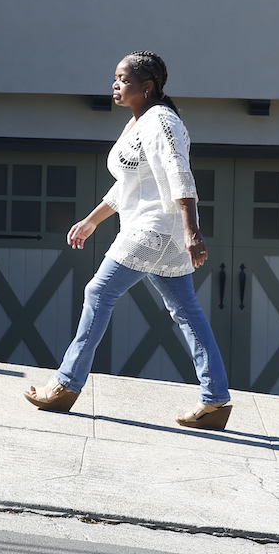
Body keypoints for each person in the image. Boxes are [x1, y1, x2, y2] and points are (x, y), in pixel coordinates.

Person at [23, 51, 232, 430]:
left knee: (98, 293)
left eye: (123, 79)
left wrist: (191, 230)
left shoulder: (161, 122)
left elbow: (179, 174)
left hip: (155, 229)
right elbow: (129, 184)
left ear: (146, 86)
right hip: (154, 227)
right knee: (186, 311)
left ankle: (66, 386)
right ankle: (215, 400)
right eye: (115, 78)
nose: (115, 85)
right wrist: (91, 221)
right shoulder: (140, 122)